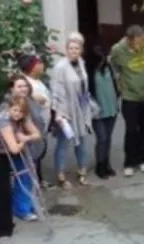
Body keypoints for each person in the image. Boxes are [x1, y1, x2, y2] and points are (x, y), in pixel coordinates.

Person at [0, 98, 41, 238]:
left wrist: (25, 138)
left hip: (2, 156)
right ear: (9, 108)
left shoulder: (15, 119)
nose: (17, 114)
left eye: (21, 112)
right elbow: (14, 148)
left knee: (4, 191)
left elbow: (37, 134)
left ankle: (5, 224)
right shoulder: (3, 122)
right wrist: (22, 140)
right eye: (15, 110)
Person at [111, 26, 144, 177]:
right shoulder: (118, 50)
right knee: (131, 130)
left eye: (142, 40)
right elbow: (113, 66)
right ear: (128, 40)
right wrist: (119, 83)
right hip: (130, 97)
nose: (141, 45)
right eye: (137, 42)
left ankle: (142, 159)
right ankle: (129, 162)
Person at [50, 33, 94, 187]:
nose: (74, 51)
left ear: (81, 50)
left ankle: (82, 171)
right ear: (66, 49)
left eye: (77, 48)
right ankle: (60, 175)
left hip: (80, 109)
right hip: (66, 111)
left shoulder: (81, 63)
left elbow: (84, 85)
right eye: (71, 48)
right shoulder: (60, 67)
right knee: (64, 142)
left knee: (81, 141)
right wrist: (59, 113)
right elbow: (56, 90)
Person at [90, 45, 121, 179]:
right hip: (97, 112)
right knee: (102, 138)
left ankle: (107, 164)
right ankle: (99, 166)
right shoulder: (89, 73)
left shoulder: (109, 68)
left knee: (108, 138)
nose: (103, 60)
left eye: (103, 57)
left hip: (111, 109)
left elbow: (115, 86)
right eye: (99, 59)